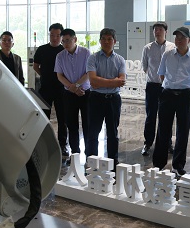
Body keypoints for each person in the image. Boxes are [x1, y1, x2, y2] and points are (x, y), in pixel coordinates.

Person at [152, 27, 190, 176]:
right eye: (177, 37)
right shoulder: (167, 54)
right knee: (163, 130)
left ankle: (178, 165)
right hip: (167, 94)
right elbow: (161, 75)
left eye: (182, 37)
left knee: (183, 131)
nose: (179, 40)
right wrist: (170, 86)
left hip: (185, 96)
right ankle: (159, 164)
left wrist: (188, 91)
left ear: (189, 40)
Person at [86, 28, 126, 166]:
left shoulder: (120, 60)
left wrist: (101, 82)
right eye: (103, 39)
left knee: (113, 133)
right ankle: (91, 162)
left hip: (113, 99)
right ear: (100, 41)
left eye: (109, 39)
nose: (106, 42)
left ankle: (113, 163)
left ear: (114, 41)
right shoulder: (93, 58)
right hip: (96, 99)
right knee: (93, 132)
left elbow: (122, 81)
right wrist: (113, 82)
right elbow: (93, 81)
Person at [140, 21, 176, 156]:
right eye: (155, 29)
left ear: (166, 31)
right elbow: (145, 66)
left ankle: (167, 143)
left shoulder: (172, 47)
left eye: (160, 29)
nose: (157, 31)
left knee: (166, 116)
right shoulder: (147, 48)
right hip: (152, 86)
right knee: (151, 115)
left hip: (167, 87)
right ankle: (148, 143)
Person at [55, 28, 91, 157]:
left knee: (88, 124)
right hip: (69, 95)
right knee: (71, 124)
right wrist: (72, 88)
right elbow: (59, 75)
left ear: (75, 39)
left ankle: (89, 153)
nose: (65, 44)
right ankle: (75, 153)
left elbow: (89, 73)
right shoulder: (60, 56)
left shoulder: (86, 53)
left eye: (68, 40)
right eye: (63, 41)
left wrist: (76, 86)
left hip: (85, 93)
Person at [34, 23, 68, 156]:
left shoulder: (64, 50)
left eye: (58, 35)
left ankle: (63, 145)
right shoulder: (42, 49)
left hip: (61, 89)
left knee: (62, 118)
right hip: (45, 89)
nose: (55, 38)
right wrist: (44, 75)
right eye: (52, 35)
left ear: (61, 36)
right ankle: (44, 145)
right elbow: (36, 66)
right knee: (44, 118)